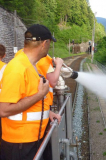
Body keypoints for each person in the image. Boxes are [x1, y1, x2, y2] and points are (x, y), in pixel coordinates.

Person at [0, 24, 61, 160]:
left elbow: (27, 98)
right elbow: (4, 110)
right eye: (49, 44)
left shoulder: (30, 66)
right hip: (19, 145)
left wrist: (47, 112)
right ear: (44, 43)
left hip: (31, 139)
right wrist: (40, 95)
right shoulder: (17, 68)